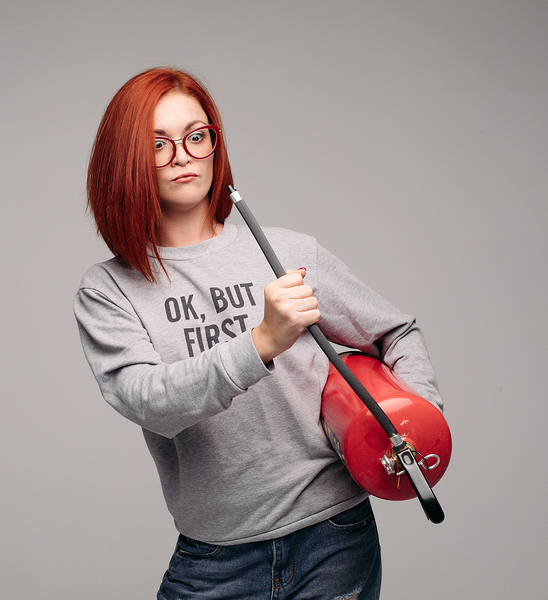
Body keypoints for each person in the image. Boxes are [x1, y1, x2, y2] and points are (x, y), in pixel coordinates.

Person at [73, 67, 442, 600]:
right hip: (215, 558)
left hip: (334, 537)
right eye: (158, 143)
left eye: (196, 136)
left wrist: (417, 421)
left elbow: (396, 333)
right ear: (125, 159)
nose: (183, 155)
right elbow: (149, 402)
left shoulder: (290, 253)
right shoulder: (109, 290)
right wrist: (260, 343)